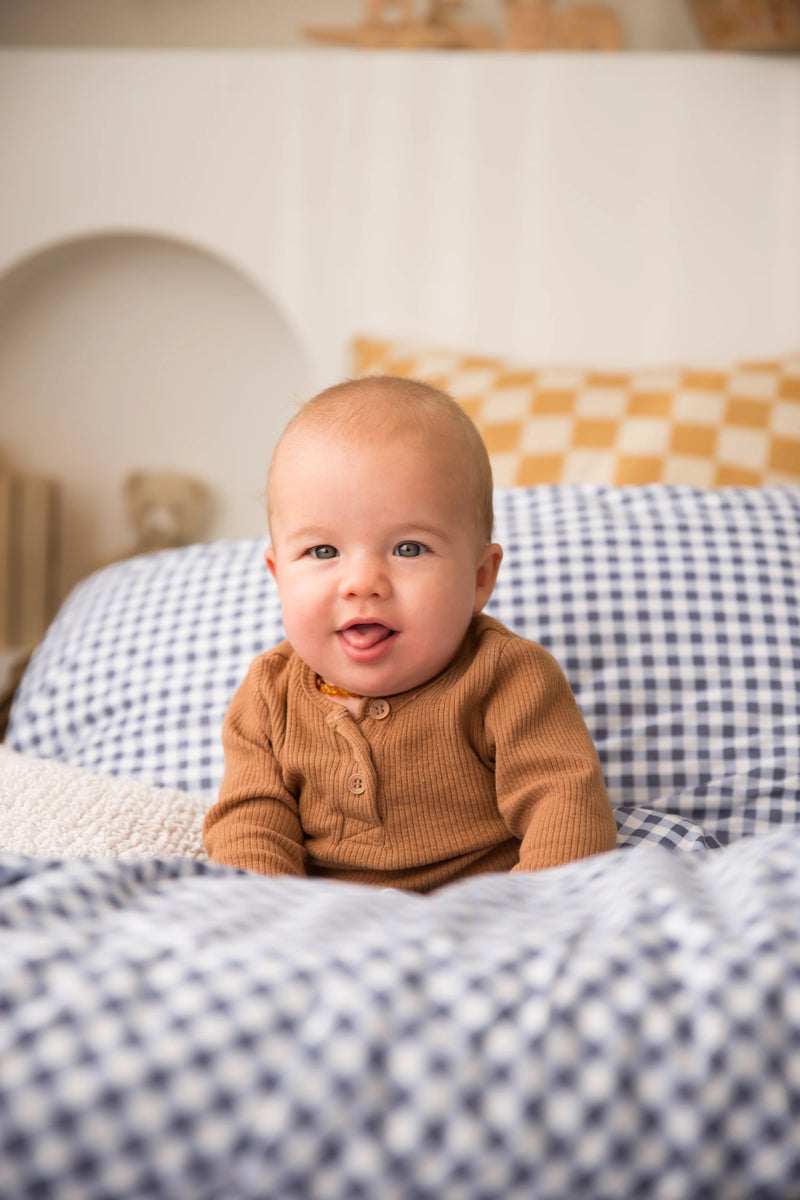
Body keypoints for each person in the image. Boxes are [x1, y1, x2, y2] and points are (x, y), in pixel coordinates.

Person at [202, 375, 617, 891]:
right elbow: (250, 824)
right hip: (323, 925)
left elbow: (564, 804)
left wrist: (536, 916)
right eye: (323, 552)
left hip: (487, 910)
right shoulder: (269, 693)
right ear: (278, 575)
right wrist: (265, 915)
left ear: (480, 577)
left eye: (409, 549)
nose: (362, 584)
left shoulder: (508, 676)